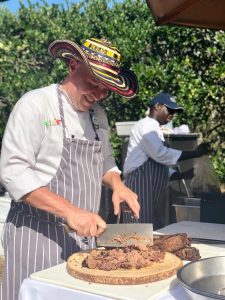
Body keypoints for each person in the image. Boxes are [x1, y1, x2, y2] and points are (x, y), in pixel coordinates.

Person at [0, 37, 140, 300]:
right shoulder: (36, 104)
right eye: (93, 84)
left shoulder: (97, 115)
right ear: (73, 66)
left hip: (83, 237)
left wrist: (117, 184)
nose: (98, 95)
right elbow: (13, 171)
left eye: (106, 89)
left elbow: (105, 161)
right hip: (36, 235)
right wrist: (71, 212)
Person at [122, 92, 209, 229]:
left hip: (152, 193)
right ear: (157, 106)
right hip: (139, 186)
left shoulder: (156, 129)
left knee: (155, 230)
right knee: (138, 230)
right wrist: (194, 153)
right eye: (170, 110)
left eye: (174, 112)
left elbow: (160, 168)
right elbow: (160, 154)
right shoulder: (145, 126)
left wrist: (183, 175)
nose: (172, 115)